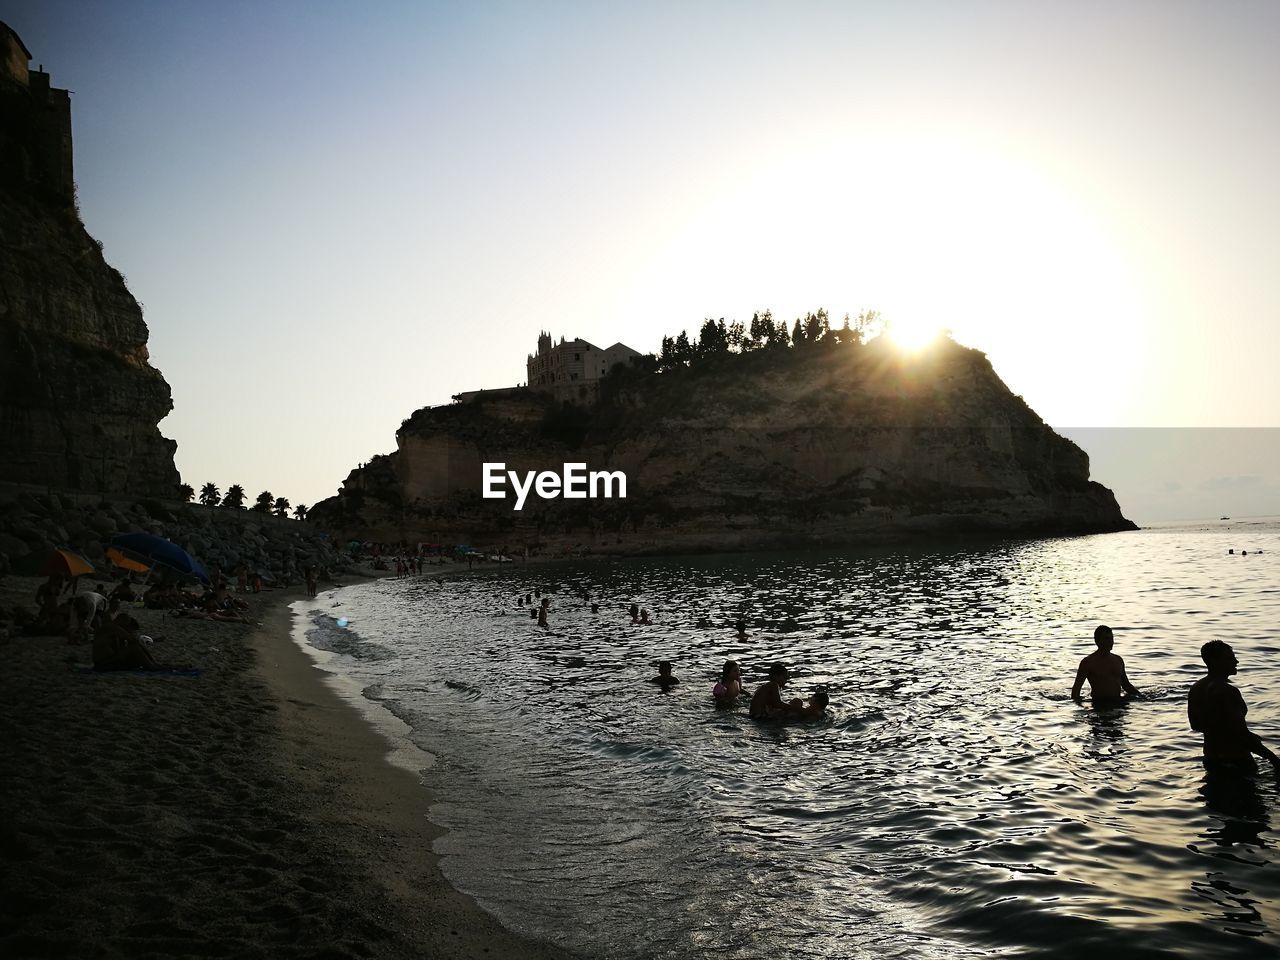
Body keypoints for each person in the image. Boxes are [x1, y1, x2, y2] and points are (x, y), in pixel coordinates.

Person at [1188, 640, 1280, 774]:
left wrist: (1225, 732)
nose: (1236, 662)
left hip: (1211, 759)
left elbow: (1195, 725)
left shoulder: (1196, 688)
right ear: (1214, 661)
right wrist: (1273, 759)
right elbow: (1241, 734)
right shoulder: (1227, 691)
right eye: (1230, 658)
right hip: (1237, 761)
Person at [1071, 625, 1139, 702]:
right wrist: (1079, 707)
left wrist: (1141, 697)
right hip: (1099, 704)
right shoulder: (1088, 662)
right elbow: (1076, 689)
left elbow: (1126, 685)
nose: (1110, 642)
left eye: (1111, 638)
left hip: (1118, 703)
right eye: (1106, 639)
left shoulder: (1118, 660)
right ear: (1097, 641)